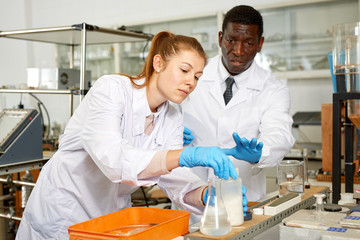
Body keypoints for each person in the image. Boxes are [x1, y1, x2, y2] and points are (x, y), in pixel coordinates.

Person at [16, 31, 240, 239]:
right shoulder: (112, 90)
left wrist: (206, 194)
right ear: (159, 63)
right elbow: (113, 159)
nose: (191, 82)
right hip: (64, 212)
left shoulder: (173, 114)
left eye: (197, 76)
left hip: (112, 217)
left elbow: (174, 177)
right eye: (184, 70)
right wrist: (183, 155)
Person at [179, 5, 295, 223]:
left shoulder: (273, 89)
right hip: (190, 202)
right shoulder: (193, 74)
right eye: (231, 40)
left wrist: (259, 152)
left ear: (260, 44)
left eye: (249, 43)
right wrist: (169, 130)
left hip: (244, 205)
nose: (239, 50)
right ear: (221, 38)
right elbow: (163, 111)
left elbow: (279, 133)